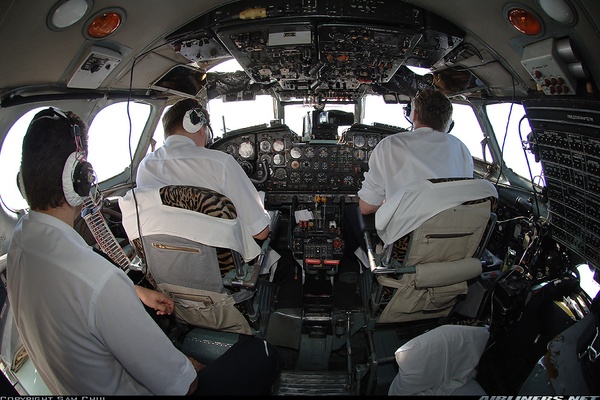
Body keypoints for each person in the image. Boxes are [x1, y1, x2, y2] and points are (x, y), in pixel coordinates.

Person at [7, 107, 279, 395]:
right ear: (80, 179)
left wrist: (134, 291)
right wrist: (189, 365)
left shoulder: (20, 243)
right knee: (262, 355)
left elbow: (82, 296)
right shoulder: (100, 283)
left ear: (23, 179)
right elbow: (184, 384)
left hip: (76, 375)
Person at [343, 88, 474, 254]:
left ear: (414, 115)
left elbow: (366, 208)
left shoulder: (390, 145)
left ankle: (358, 269)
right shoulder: (462, 149)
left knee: (349, 212)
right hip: (451, 244)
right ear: (448, 122)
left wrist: (390, 201)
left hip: (404, 248)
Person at [136, 98, 271, 242]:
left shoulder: (145, 165)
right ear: (199, 127)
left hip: (163, 257)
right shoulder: (221, 163)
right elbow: (260, 232)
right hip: (219, 262)